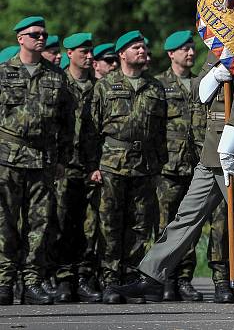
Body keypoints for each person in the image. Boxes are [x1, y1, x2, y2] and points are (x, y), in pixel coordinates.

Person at [110, 49, 234, 314]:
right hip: (212, 148)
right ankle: (153, 274)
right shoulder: (217, 53)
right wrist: (215, 75)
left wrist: (229, 147)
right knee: (187, 214)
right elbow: (198, 95)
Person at [85, 31, 167, 303]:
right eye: (136, 47)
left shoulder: (155, 87)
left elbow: (160, 132)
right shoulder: (106, 86)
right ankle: (110, 282)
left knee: (140, 225)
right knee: (110, 224)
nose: (142, 50)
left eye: (143, 46)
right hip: (111, 164)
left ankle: (130, 281)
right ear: (122, 54)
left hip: (144, 166)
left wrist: (159, 166)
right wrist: (92, 165)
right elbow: (90, 130)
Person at [0, 16, 72, 305]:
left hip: (42, 160)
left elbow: (68, 122)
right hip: (7, 157)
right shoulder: (4, 73)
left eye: (43, 34)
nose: (41, 38)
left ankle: (32, 282)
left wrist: (62, 159)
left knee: (39, 225)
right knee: (4, 223)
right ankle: (4, 282)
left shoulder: (55, 76)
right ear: (20, 38)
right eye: (34, 34)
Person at [52, 32, 103, 303]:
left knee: (89, 225)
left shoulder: (99, 87)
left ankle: (83, 277)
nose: (89, 56)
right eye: (83, 51)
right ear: (69, 53)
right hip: (64, 165)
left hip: (91, 165)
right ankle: (63, 279)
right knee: (62, 222)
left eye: (90, 51)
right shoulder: (59, 85)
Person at [153, 31, 204, 301]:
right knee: (165, 225)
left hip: (196, 165)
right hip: (167, 166)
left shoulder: (201, 83)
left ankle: (184, 278)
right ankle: (165, 278)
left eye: (192, 48)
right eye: (184, 49)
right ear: (171, 53)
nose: (190, 52)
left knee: (190, 226)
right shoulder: (159, 84)